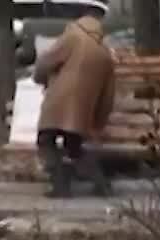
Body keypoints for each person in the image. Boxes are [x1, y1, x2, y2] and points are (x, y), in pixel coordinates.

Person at [33, 15, 116, 198]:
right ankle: (101, 183)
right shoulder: (105, 53)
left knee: (46, 141)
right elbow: (107, 95)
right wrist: (98, 122)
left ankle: (60, 185)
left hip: (58, 103)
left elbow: (48, 61)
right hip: (81, 112)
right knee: (74, 147)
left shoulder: (73, 36)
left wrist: (38, 77)